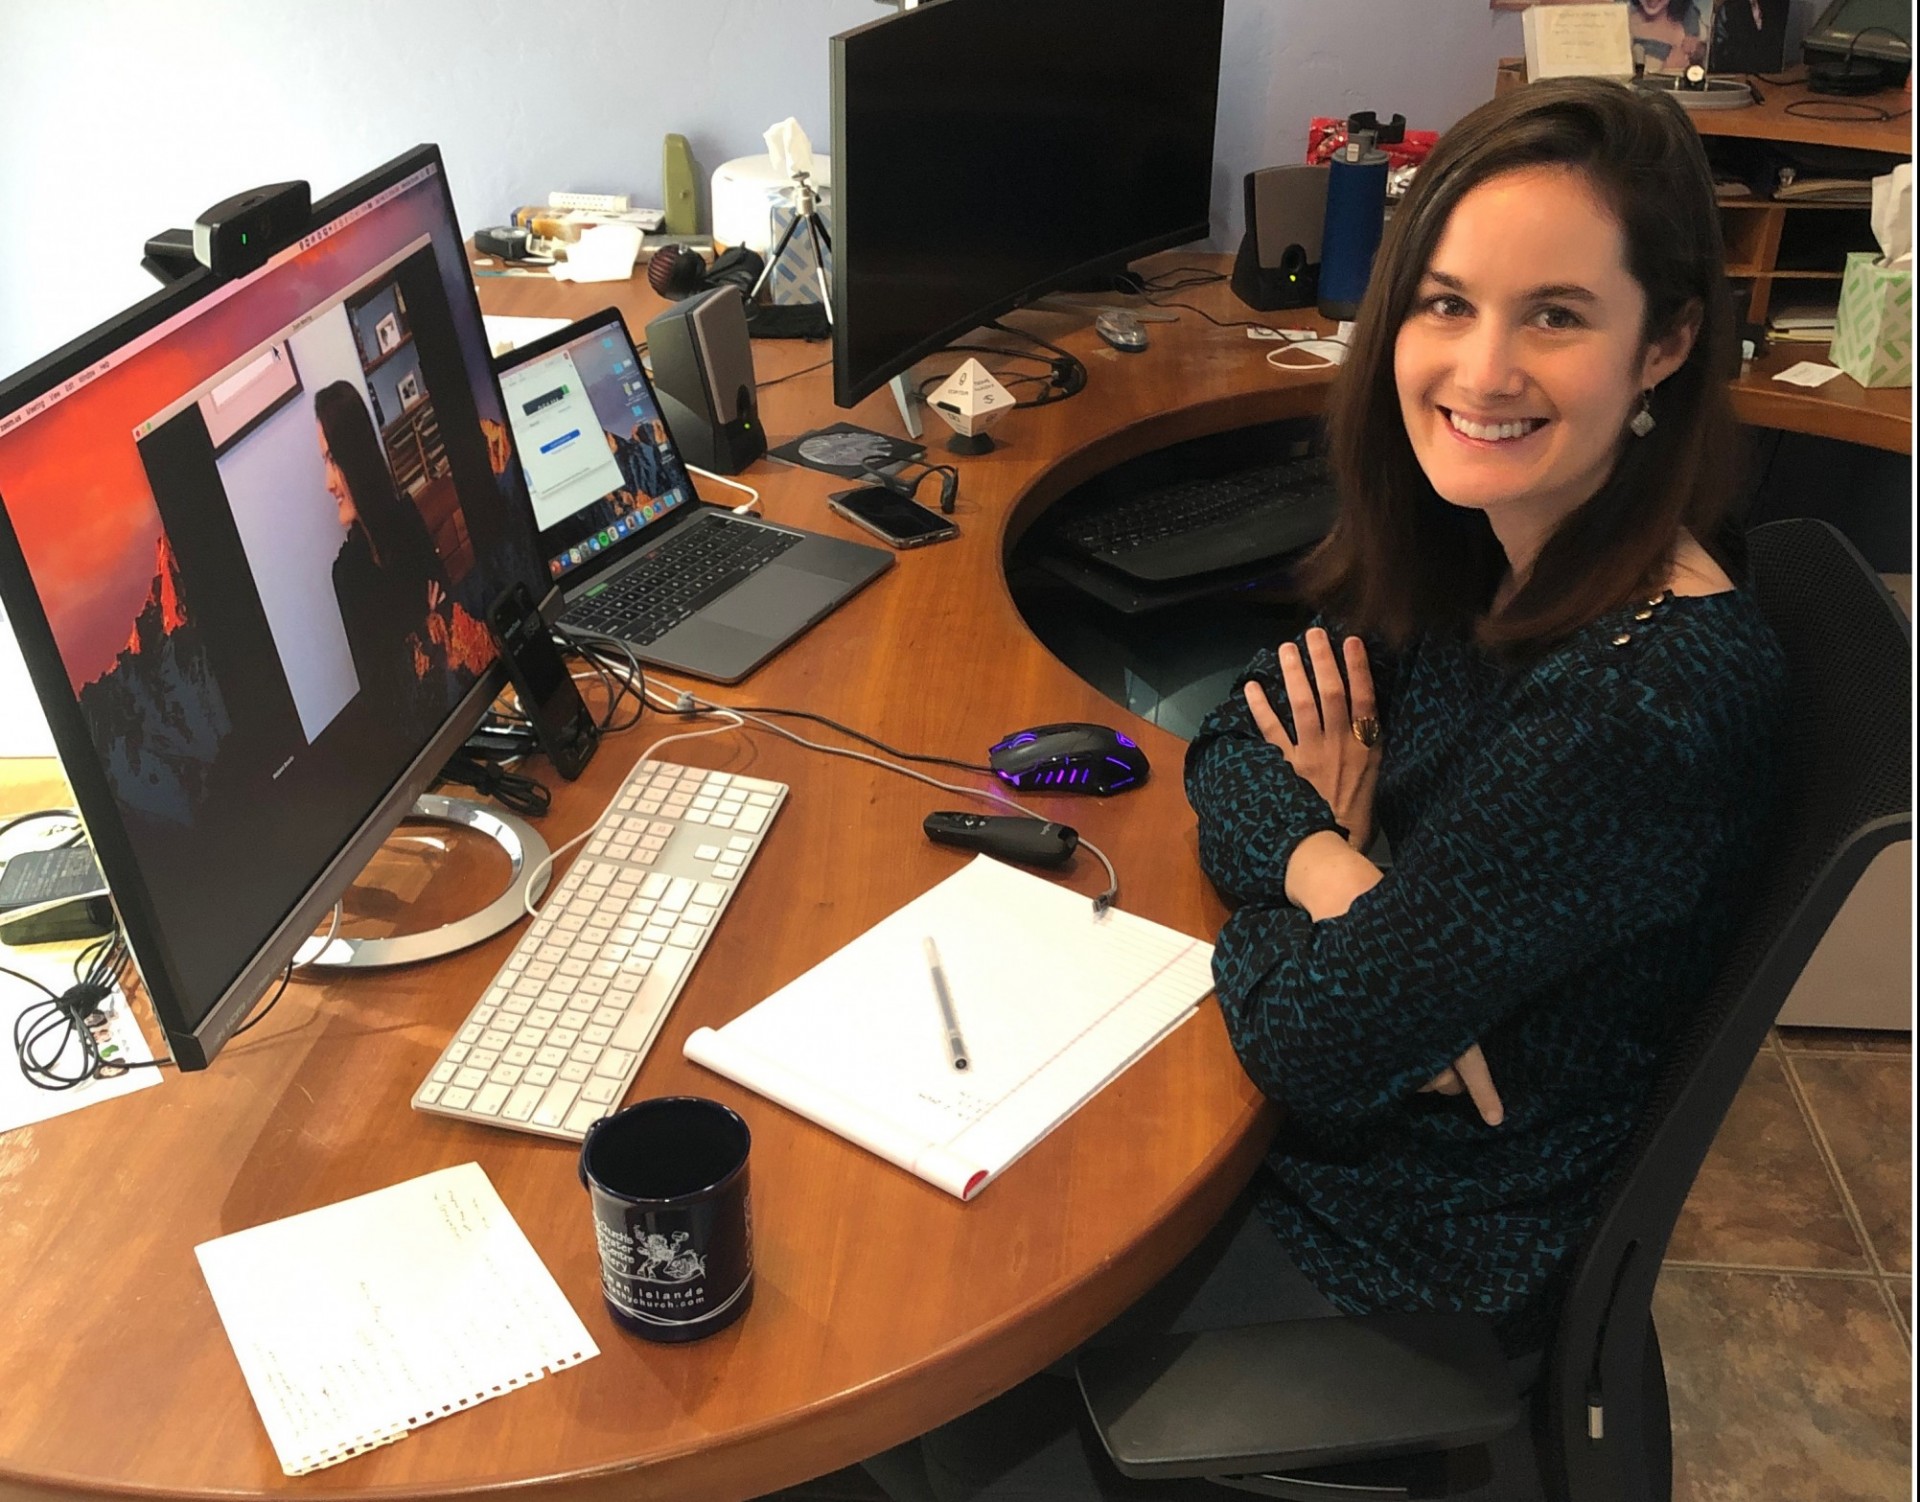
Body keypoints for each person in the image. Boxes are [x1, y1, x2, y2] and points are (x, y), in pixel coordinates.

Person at [860, 76, 1786, 1502]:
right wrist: (1336, 871)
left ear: (1662, 343)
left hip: (1399, 1257)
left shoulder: (1637, 701)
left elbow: (1306, 1036)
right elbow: (1234, 743)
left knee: (902, 1361)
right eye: (1446, 301)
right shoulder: (1491, 539)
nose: (1479, 369)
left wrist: (1338, 952)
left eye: (1555, 314)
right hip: (1320, 1147)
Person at [316, 380, 461, 732]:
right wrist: (425, 625)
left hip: (456, 703)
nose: (328, 483)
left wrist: (422, 632)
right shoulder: (348, 574)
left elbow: (450, 623)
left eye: (333, 461)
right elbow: (386, 704)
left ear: (356, 457)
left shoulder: (406, 521)